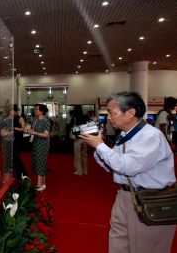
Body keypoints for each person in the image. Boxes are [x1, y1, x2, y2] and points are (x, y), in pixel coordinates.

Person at [80, 91, 176, 253]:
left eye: (112, 113)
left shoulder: (151, 136)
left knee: (146, 247)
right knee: (118, 244)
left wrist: (100, 146)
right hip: (125, 196)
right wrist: (98, 146)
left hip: (150, 198)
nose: (109, 117)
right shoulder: (125, 136)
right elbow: (112, 166)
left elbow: (128, 167)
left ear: (130, 113)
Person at [24, 104, 51, 191]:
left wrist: (34, 132)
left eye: (36, 110)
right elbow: (27, 121)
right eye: (34, 109)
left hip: (42, 144)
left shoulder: (45, 121)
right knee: (39, 163)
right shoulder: (36, 120)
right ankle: (43, 184)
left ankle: (39, 185)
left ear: (41, 111)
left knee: (40, 163)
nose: (35, 111)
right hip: (36, 143)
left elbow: (46, 135)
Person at [70, 105, 89, 176]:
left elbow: (71, 128)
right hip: (85, 138)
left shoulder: (74, 118)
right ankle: (85, 171)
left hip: (77, 139)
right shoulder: (85, 118)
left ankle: (79, 171)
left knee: (77, 156)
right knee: (84, 155)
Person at [12, 104, 28, 179]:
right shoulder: (10, 118)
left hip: (17, 139)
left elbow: (23, 129)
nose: (10, 112)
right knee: (13, 158)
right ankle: (17, 174)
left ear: (15, 111)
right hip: (11, 139)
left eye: (12, 111)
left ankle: (22, 174)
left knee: (16, 157)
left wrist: (14, 128)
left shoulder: (20, 118)